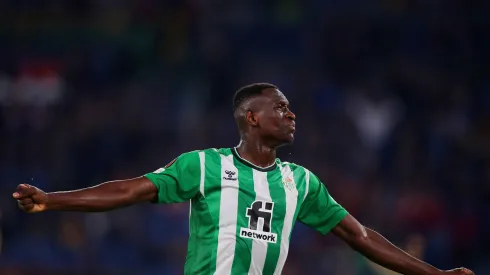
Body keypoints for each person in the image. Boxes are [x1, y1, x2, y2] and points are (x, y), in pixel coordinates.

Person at [13, 83, 474, 275]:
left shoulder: (302, 183)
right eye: (279, 106)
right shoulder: (205, 165)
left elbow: (360, 235)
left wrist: (432, 274)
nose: (291, 113)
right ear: (251, 117)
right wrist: (53, 201)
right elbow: (128, 190)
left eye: (291, 107)